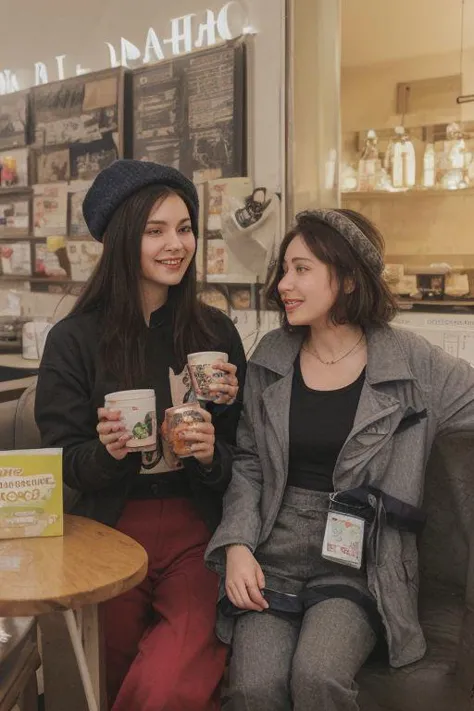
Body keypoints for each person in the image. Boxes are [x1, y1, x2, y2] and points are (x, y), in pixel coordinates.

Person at [205, 208, 474, 710]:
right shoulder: (271, 355)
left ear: (348, 278)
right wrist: (237, 545)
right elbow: (248, 463)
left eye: (302, 269)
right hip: (271, 554)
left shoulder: (411, 361)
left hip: (358, 564)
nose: (285, 283)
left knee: (317, 676)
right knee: (253, 688)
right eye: (284, 269)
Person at [35, 160, 246, 711]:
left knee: (170, 680)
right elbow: (60, 461)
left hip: (197, 526)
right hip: (107, 528)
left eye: (184, 228)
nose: (176, 244)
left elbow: (246, 454)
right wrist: (107, 453)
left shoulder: (214, 332)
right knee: (109, 671)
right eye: (155, 231)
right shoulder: (74, 340)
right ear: (122, 239)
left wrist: (210, 451)